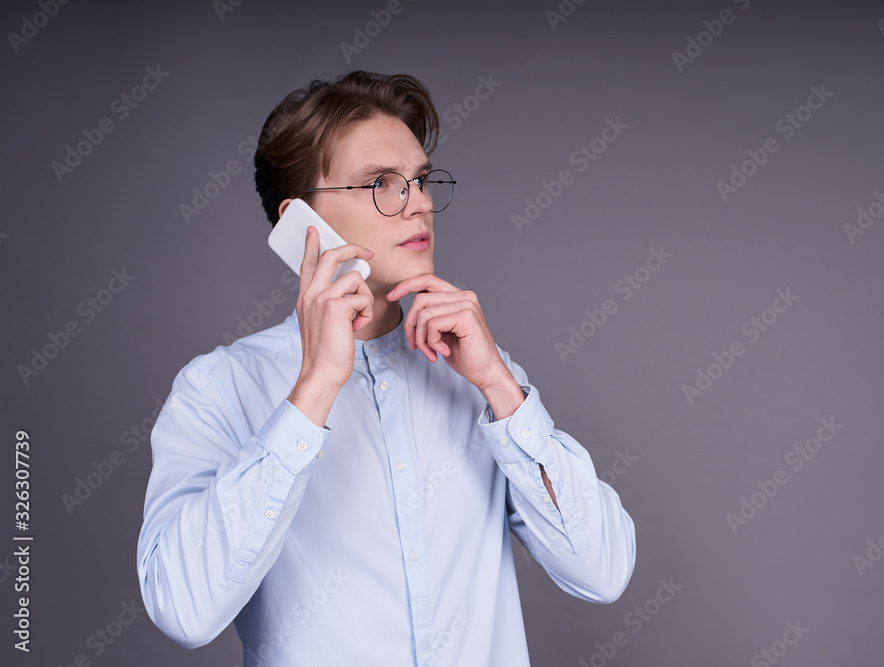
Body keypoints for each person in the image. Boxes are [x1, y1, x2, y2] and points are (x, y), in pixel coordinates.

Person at [136, 70, 636, 666]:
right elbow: (183, 609)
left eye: (421, 182)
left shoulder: (480, 377)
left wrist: (500, 387)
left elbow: (602, 572)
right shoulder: (219, 389)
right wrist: (314, 390)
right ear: (301, 222)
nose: (420, 203)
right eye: (382, 184)